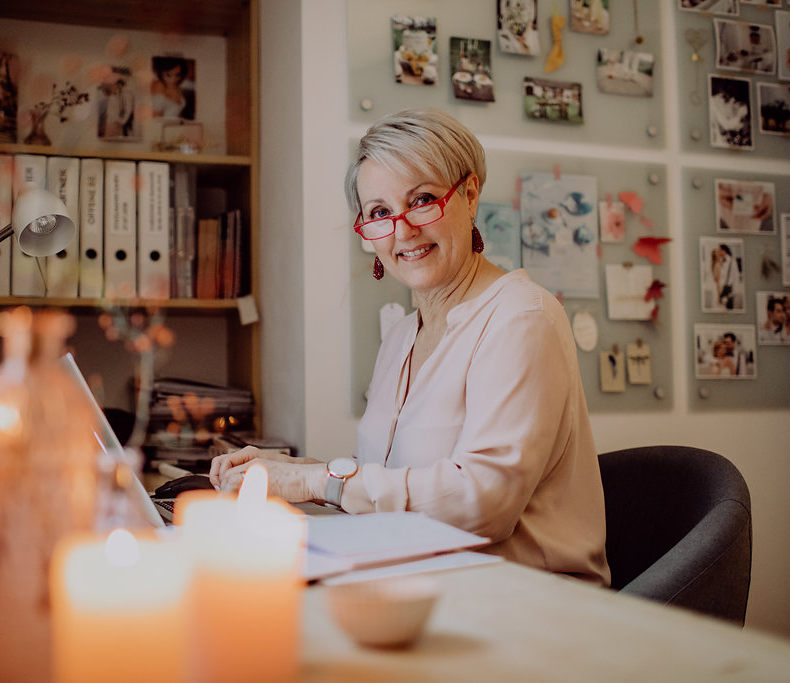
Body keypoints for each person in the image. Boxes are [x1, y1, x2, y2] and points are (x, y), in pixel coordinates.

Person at [211, 108, 610, 585]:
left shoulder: (522, 318)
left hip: (524, 606)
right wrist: (296, 471)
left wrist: (317, 483)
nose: (402, 230)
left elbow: (484, 503)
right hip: (422, 588)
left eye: (421, 200)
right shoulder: (403, 336)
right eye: (379, 212)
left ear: (469, 194)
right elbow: (397, 477)